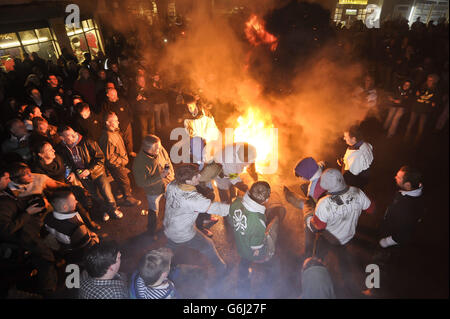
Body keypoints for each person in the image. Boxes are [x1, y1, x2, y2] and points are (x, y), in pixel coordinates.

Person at [303, 169, 375, 295]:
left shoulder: (324, 203)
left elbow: (317, 227)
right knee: (344, 261)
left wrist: (307, 214)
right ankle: (351, 287)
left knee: (318, 257)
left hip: (328, 238)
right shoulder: (358, 192)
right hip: (348, 236)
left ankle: (316, 273)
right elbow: (371, 209)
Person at [163, 164, 230, 277]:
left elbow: (168, 196)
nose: (199, 176)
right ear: (188, 181)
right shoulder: (193, 199)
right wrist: (238, 208)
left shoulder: (172, 184)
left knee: (170, 248)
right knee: (208, 245)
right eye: (196, 176)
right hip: (183, 232)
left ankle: (162, 268)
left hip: (169, 226)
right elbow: (218, 209)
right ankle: (221, 268)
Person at [0, 166, 58, 295]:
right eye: (6, 178)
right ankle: (49, 291)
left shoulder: (5, 191)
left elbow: (16, 203)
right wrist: (28, 212)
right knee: (46, 256)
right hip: (21, 235)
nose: (9, 180)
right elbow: (5, 230)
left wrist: (36, 201)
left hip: (27, 226)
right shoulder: (2, 204)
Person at [227, 181, 286, 296]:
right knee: (271, 262)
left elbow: (231, 220)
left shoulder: (236, 202)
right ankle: (267, 288)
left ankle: (242, 288)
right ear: (266, 200)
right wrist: (260, 251)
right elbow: (256, 246)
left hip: (240, 245)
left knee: (244, 262)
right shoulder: (258, 220)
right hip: (252, 251)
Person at [56, 126, 123, 222]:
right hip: (83, 176)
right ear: (62, 138)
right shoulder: (62, 148)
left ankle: (113, 210)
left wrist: (89, 170)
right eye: (69, 135)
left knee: (107, 193)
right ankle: (105, 210)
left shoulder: (87, 142)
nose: (74, 136)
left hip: (98, 173)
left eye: (73, 133)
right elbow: (67, 163)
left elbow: (100, 158)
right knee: (95, 196)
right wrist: (71, 173)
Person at [132, 135, 174, 235]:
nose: (160, 149)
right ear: (149, 149)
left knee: (172, 204)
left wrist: (171, 174)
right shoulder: (139, 163)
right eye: (157, 148)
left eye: (160, 146)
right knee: (153, 211)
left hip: (168, 184)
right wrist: (160, 176)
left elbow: (167, 160)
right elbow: (141, 183)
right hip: (153, 191)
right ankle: (151, 232)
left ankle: (169, 225)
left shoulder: (159, 148)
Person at [44, 188, 100, 261]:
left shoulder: (48, 217)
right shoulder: (76, 227)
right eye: (73, 201)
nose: (76, 202)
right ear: (65, 207)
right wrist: (95, 239)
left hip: (64, 246)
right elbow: (87, 245)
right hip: (78, 253)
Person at [99, 112, 141, 206]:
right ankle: (128, 199)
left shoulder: (114, 132)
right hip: (116, 165)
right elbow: (109, 157)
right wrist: (122, 161)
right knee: (125, 181)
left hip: (118, 163)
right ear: (108, 123)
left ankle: (119, 193)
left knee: (120, 180)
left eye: (117, 120)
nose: (118, 122)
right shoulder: (108, 136)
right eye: (115, 121)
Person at [378, 166, 425, 249]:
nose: (395, 177)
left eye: (399, 177)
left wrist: (385, 242)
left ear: (407, 185)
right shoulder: (410, 191)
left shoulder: (407, 209)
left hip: (391, 240)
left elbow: (403, 235)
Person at [405, 74, 441, 144]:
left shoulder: (435, 90)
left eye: (431, 80)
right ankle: (406, 137)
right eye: (428, 80)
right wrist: (416, 94)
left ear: (434, 81)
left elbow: (436, 100)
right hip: (416, 108)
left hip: (425, 111)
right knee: (410, 124)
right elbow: (414, 95)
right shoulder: (422, 86)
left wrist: (434, 103)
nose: (428, 81)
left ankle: (417, 141)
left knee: (421, 127)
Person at [337, 125, 373, 190]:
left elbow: (353, 172)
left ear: (354, 139)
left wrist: (345, 166)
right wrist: (344, 162)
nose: (344, 138)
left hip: (356, 184)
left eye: (346, 137)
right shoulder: (365, 144)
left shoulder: (356, 155)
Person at [102, 86, 135, 156]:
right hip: (115, 128)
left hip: (126, 125)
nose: (115, 96)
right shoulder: (106, 105)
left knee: (129, 140)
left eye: (115, 94)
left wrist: (129, 121)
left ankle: (130, 152)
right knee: (119, 142)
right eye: (112, 95)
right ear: (107, 95)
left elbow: (129, 111)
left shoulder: (122, 101)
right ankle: (122, 155)